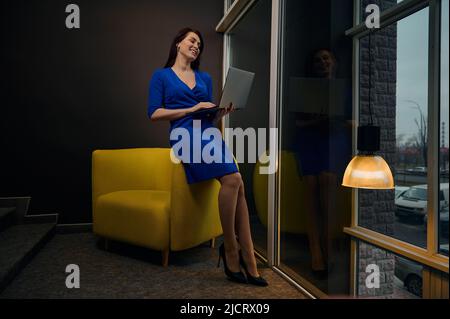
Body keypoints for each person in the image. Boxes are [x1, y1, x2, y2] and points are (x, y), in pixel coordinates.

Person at [147, 27, 267, 286]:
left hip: (208, 134)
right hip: (184, 136)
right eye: (192, 40)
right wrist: (192, 107)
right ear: (178, 43)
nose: (196, 46)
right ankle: (233, 251)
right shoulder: (162, 76)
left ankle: (249, 257)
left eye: (199, 44)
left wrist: (221, 113)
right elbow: (154, 113)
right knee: (234, 180)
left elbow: (208, 115)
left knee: (239, 185)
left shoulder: (205, 78)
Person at [294, 49, 351, 276]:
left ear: (335, 62)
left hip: (334, 139)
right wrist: (318, 119)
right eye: (317, 60)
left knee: (328, 185)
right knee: (310, 187)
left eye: (327, 58)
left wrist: (337, 119)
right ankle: (315, 251)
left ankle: (330, 248)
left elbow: (351, 120)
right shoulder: (305, 90)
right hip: (309, 140)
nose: (322, 62)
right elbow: (298, 123)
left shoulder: (345, 90)